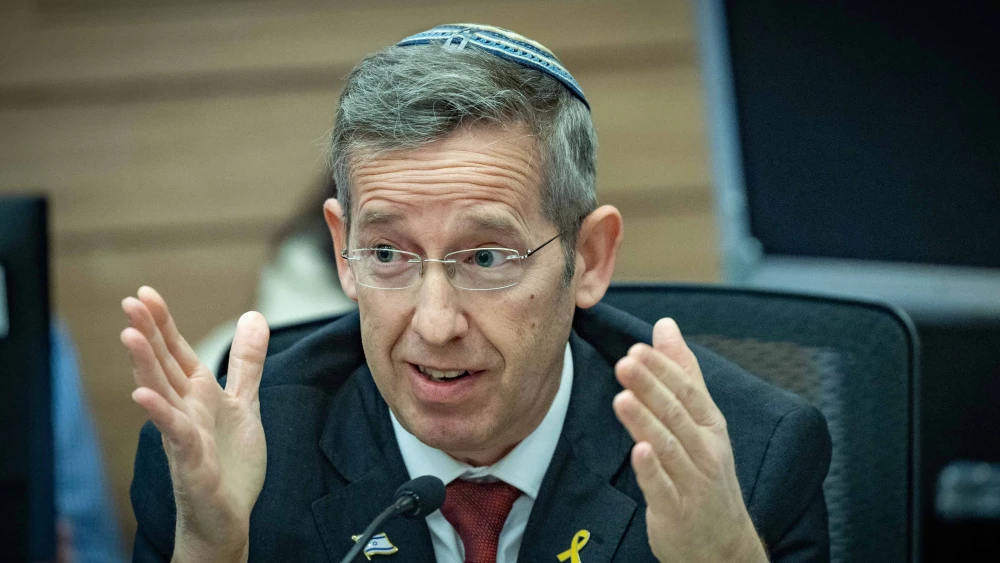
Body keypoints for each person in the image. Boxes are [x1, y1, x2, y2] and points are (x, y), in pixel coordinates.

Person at [123, 24, 832, 563]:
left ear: (588, 257)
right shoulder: (223, 465)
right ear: (342, 249)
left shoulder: (748, 458)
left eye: (486, 256)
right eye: (389, 253)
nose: (434, 324)